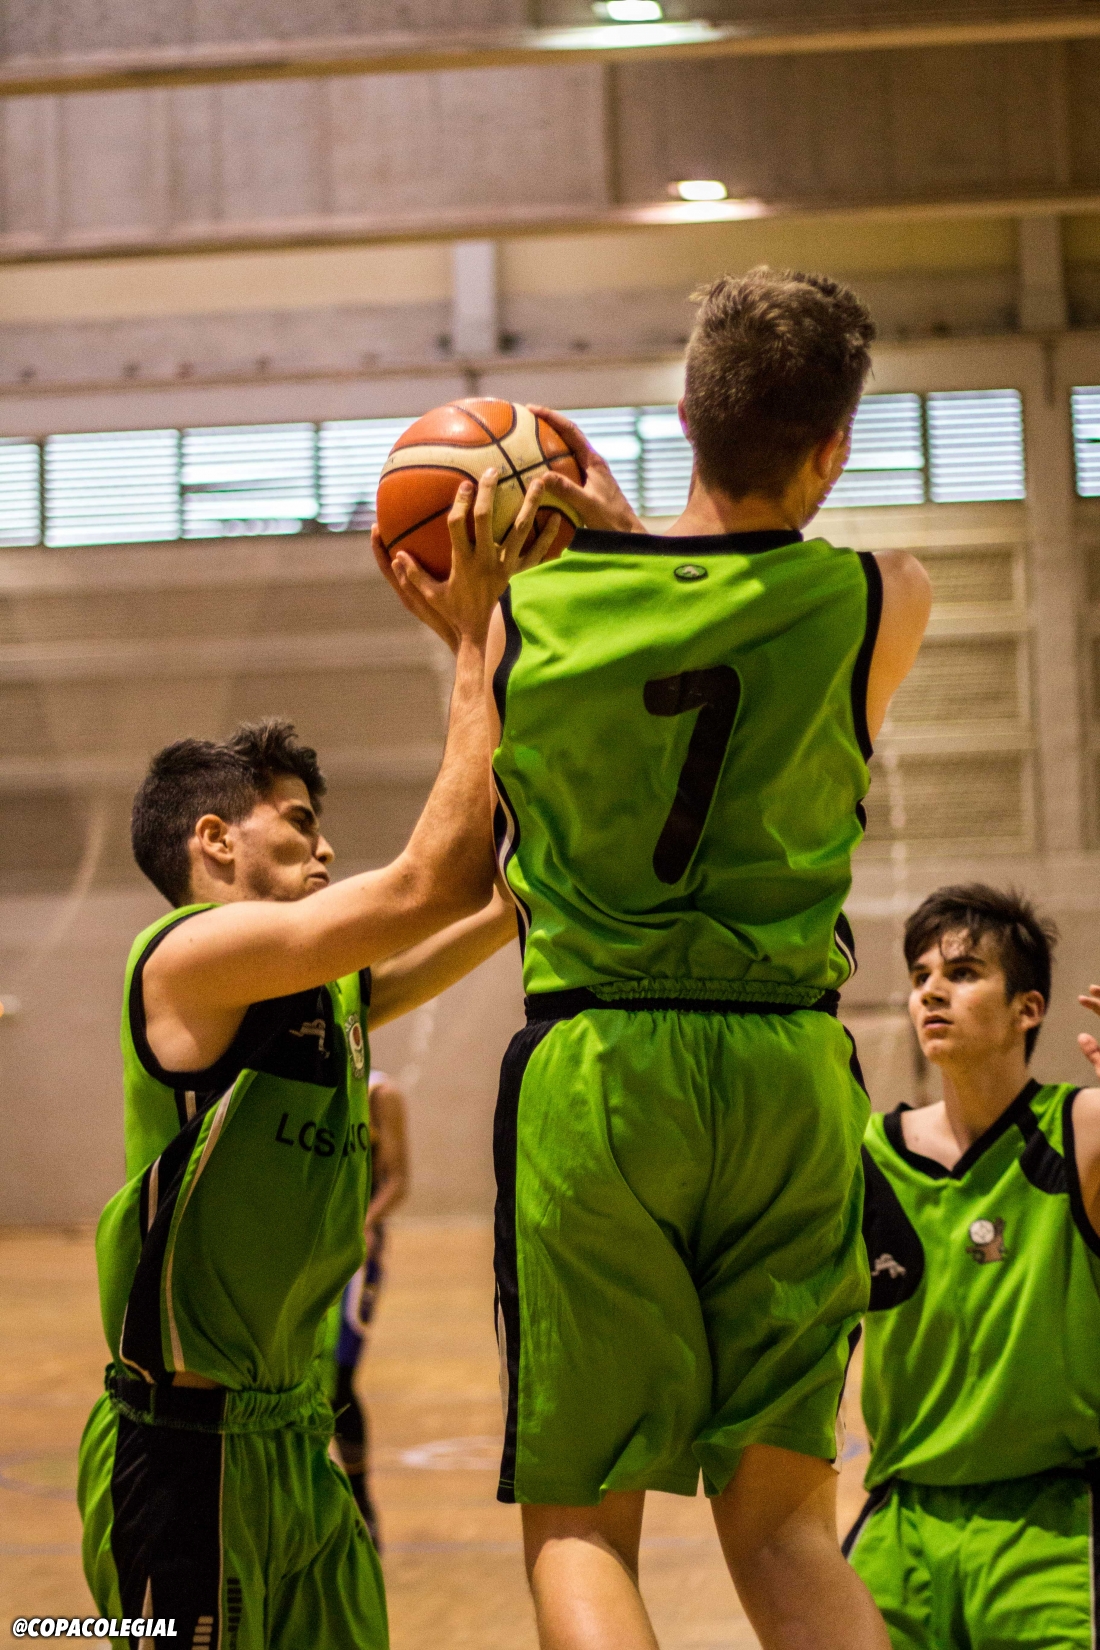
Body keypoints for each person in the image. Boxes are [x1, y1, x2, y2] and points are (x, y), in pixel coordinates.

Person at [382, 269, 931, 1650]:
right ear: (833, 447)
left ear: (683, 415)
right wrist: (636, 545)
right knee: (786, 1528)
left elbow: (457, 865)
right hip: (789, 1074)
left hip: (602, 1073)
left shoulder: (535, 619)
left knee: (581, 1527)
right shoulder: (883, 596)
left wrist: (477, 644)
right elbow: (722, 605)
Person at [76, 480, 559, 1650]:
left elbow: (480, 905)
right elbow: (428, 885)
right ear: (214, 838)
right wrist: (473, 640)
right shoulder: (185, 958)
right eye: (297, 821)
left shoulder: (321, 992)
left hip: (296, 1438)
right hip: (187, 1460)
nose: (325, 844)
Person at [846, 883, 1100, 1649]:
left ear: (1028, 1008)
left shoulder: (1078, 1130)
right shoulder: (868, 1153)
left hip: (1049, 1526)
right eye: (921, 975)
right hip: (901, 1522)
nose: (931, 991)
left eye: (961, 973)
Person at [320, 1067, 409, 1548]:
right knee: (301, 1380)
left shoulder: (380, 1095)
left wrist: (363, 1222)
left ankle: (361, 1502)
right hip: (307, 1248)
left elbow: (398, 1180)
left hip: (355, 1253)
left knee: (339, 1380)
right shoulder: (309, 1083)